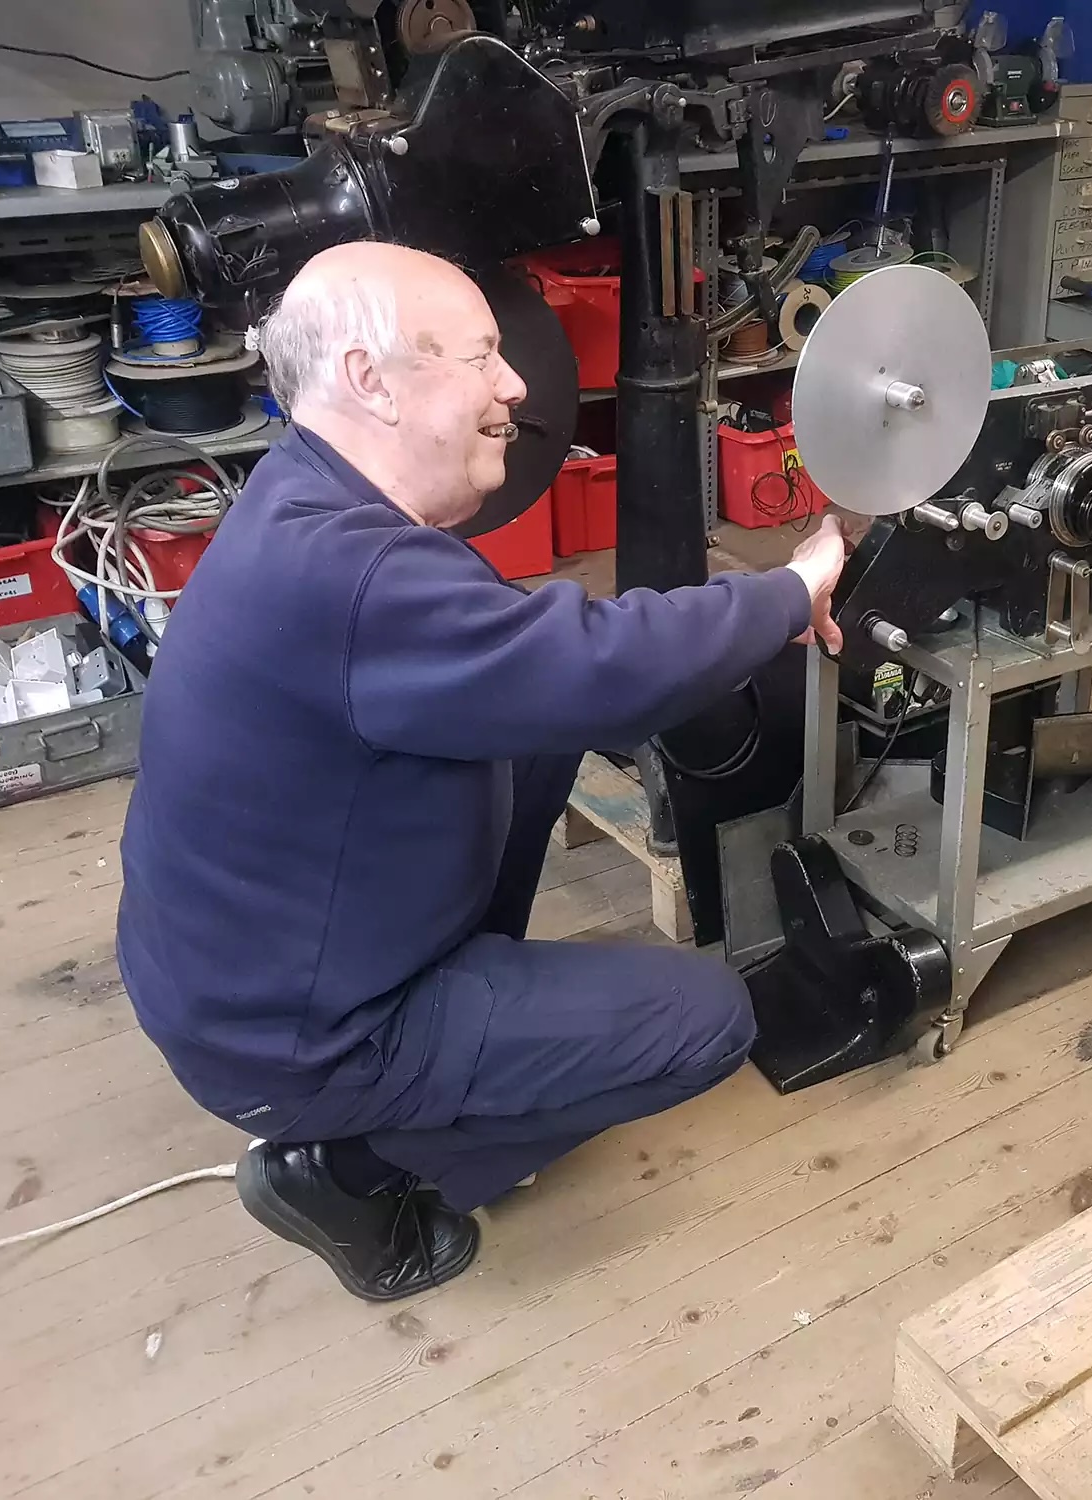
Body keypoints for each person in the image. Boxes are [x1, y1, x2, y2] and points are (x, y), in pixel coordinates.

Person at [117, 242, 848, 1302]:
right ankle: (350, 1169)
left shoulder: (298, 500)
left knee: (537, 721)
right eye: (481, 357)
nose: (514, 385)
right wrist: (790, 592)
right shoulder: (357, 575)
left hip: (246, 974)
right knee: (703, 1019)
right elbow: (597, 664)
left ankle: (461, 1024)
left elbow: (548, 672)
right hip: (297, 1038)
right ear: (370, 380)